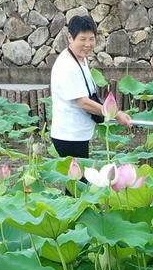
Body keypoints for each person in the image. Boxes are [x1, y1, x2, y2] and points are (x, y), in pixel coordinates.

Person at [49, 13, 131, 161]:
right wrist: (115, 114)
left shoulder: (81, 59)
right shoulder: (67, 65)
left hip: (78, 134)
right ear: (70, 38)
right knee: (79, 183)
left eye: (91, 39)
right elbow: (83, 102)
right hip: (69, 136)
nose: (88, 44)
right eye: (82, 39)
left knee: (78, 182)